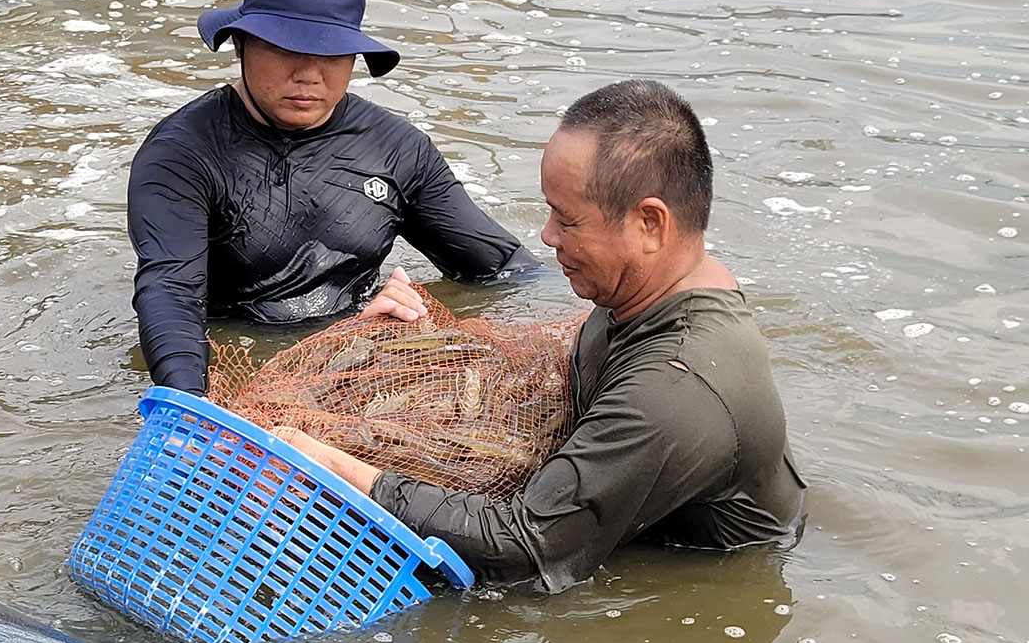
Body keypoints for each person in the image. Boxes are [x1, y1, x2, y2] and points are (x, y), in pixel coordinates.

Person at [278, 79, 807, 593]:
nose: (547, 236)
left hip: (708, 588)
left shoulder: (676, 388)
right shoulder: (654, 288)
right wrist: (419, 348)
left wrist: (333, 468)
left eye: (568, 219)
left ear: (650, 224)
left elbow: (525, 548)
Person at [127, 0, 538, 395]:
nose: (309, 74)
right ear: (241, 43)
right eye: (286, 49)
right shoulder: (183, 152)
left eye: (331, 53)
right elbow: (172, 293)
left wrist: (422, 325)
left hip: (362, 355)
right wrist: (189, 406)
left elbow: (509, 273)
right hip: (244, 358)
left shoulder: (397, 150)